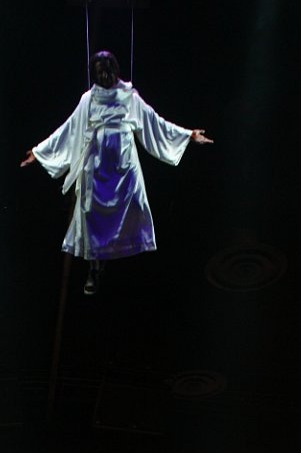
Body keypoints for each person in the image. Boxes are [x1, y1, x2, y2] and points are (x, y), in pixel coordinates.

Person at [21, 50, 213, 295]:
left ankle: (131, 260)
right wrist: (39, 152)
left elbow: (154, 122)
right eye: (100, 71)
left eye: (107, 70)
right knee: (90, 212)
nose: (104, 75)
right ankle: (94, 267)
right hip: (96, 165)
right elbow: (69, 129)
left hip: (124, 164)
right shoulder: (88, 99)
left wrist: (188, 135)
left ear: (115, 70)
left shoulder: (129, 96)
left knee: (135, 204)